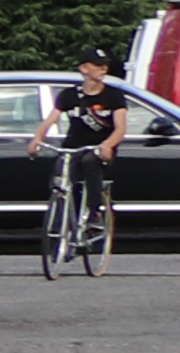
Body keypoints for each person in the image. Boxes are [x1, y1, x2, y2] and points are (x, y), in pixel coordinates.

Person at [54, 55, 130, 262]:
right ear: (84, 68)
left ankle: (95, 215)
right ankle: (63, 230)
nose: (104, 68)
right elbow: (50, 119)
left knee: (90, 162)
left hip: (100, 149)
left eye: (105, 65)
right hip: (73, 148)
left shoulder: (113, 96)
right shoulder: (70, 95)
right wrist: (36, 139)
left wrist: (107, 145)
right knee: (62, 176)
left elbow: (121, 127)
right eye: (98, 65)